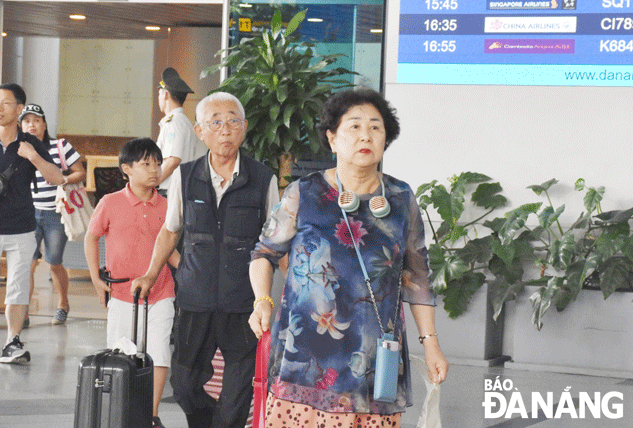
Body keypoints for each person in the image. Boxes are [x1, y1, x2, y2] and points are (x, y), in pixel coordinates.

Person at [248, 88, 449, 427]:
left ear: (386, 138)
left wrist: (431, 344)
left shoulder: (400, 198)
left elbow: (418, 278)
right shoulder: (304, 193)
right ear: (332, 138)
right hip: (305, 359)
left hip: (371, 362)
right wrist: (262, 300)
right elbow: (264, 253)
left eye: (375, 127)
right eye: (354, 127)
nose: (365, 136)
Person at [132, 92, 279, 428]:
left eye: (232, 120)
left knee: (238, 391)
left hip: (244, 303)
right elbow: (170, 232)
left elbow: (274, 243)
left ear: (243, 128)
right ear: (199, 131)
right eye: (215, 122)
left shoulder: (263, 179)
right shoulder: (185, 176)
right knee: (183, 385)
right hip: (195, 298)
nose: (225, 128)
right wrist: (151, 274)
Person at [84, 138, 178, 428]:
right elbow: (91, 237)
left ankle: (150, 416)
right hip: (123, 294)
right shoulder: (110, 202)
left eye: (158, 163)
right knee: (122, 353)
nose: (155, 170)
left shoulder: (168, 205)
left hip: (161, 292)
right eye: (146, 164)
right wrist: (96, 280)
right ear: (127, 168)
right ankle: (120, 414)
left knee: (159, 353)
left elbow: (171, 250)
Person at [0, 83, 63, 364]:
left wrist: (33, 156)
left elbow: (57, 178)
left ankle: (13, 341)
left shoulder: (31, 143)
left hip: (22, 227)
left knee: (17, 286)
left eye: (5, 103)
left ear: (19, 108)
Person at [20, 104, 86, 325]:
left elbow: (80, 172)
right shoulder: (18, 149)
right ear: (21, 125)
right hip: (27, 215)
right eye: (27, 121)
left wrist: (64, 180)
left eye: (36, 120)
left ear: (44, 124)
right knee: (27, 264)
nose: (32, 125)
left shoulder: (60, 146)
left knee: (54, 263)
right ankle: (24, 312)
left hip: (55, 214)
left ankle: (63, 303)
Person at [156, 67, 204, 197]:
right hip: (177, 190)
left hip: (170, 192)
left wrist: (153, 183)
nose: (158, 98)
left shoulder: (175, 122)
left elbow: (173, 160)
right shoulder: (180, 121)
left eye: (159, 93)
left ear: (166, 94)